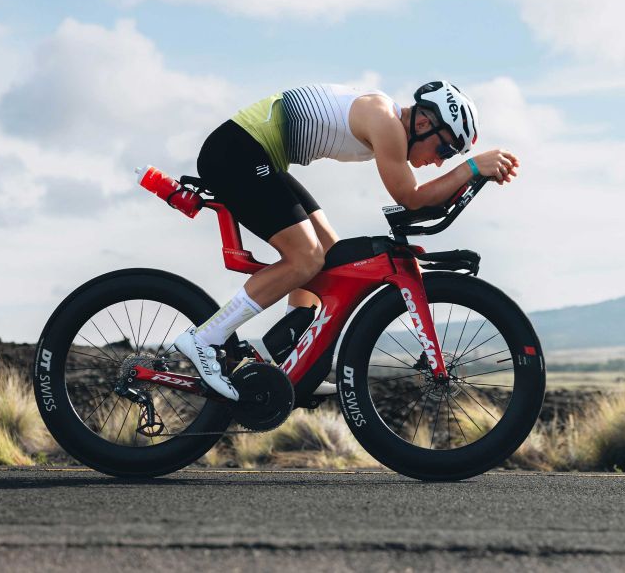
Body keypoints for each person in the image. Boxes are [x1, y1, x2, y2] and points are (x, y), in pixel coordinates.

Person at [174, 80, 519, 400]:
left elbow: (419, 198)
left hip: (257, 155)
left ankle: (292, 352)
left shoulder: (388, 121)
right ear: (425, 124)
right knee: (305, 258)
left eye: (449, 156)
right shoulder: (385, 121)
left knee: (330, 254)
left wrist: (472, 176)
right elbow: (410, 198)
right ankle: (204, 338)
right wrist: (470, 168)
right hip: (238, 152)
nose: (439, 161)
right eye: (444, 149)